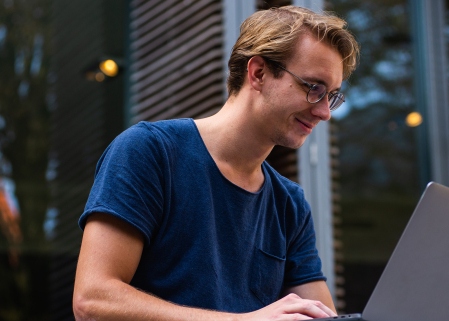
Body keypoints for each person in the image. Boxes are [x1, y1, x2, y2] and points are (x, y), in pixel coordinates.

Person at [73, 5, 359, 321]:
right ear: (259, 73)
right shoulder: (150, 151)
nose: (324, 112)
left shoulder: (290, 204)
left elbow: (323, 317)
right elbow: (92, 301)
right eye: (314, 88)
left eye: (331, 96)